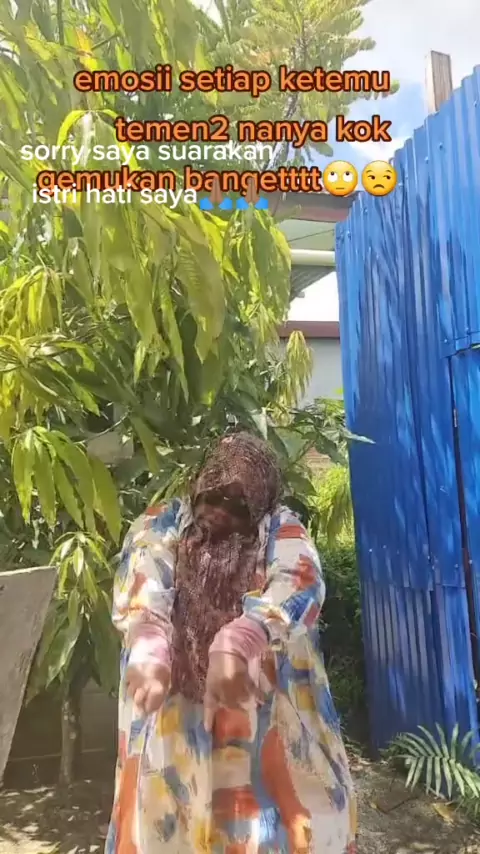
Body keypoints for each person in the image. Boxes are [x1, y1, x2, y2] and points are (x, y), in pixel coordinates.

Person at [105, 431, 357, 854]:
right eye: (215, 496)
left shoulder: (281, 529)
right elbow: (143, 571)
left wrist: (245, 636)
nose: (221, 512)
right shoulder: (164, 522)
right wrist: (149, 639)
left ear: (262, 503)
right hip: (173, 724)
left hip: (267, 719)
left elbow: (301, 581)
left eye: (239, 506)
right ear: (198, 486)